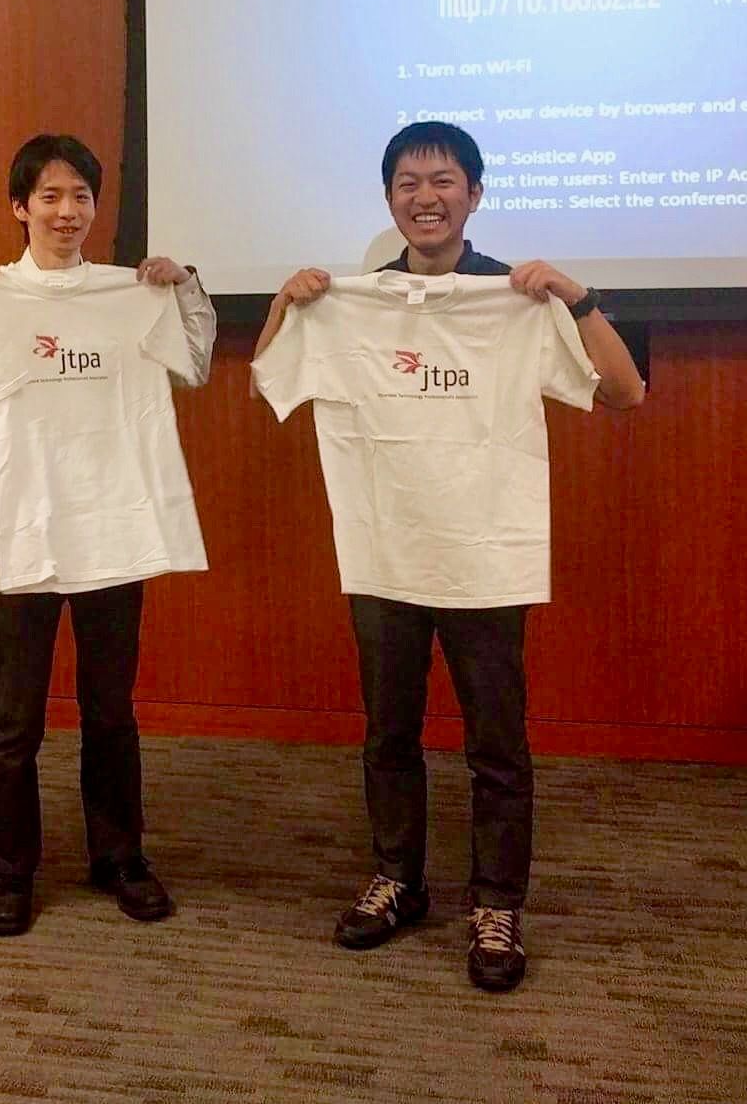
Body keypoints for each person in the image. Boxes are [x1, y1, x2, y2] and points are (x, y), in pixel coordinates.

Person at [250, 119, 644, 992]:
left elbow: (625, 393)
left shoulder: (514, 298)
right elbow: (266, 381)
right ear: (389, 199)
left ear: (474, 193)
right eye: (408, 183)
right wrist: (285, 304)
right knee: (388, 732)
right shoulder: (352, 303)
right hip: (384, 549)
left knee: (497, 745)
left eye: (443, 180)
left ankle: (497, 905)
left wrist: (576, 298)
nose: (425, 196)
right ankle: (398, 879)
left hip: (485, 556)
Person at [0, 134, 215, 936]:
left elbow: (196, 363)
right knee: (15, 719)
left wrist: (184, 288)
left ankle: (120, 858)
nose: (67, 212)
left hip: (113, 533)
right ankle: (10, 872)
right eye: (50, 196)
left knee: (111, 712)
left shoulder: (126, 293)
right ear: (19, 206)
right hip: (25, 534)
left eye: (81, 197)